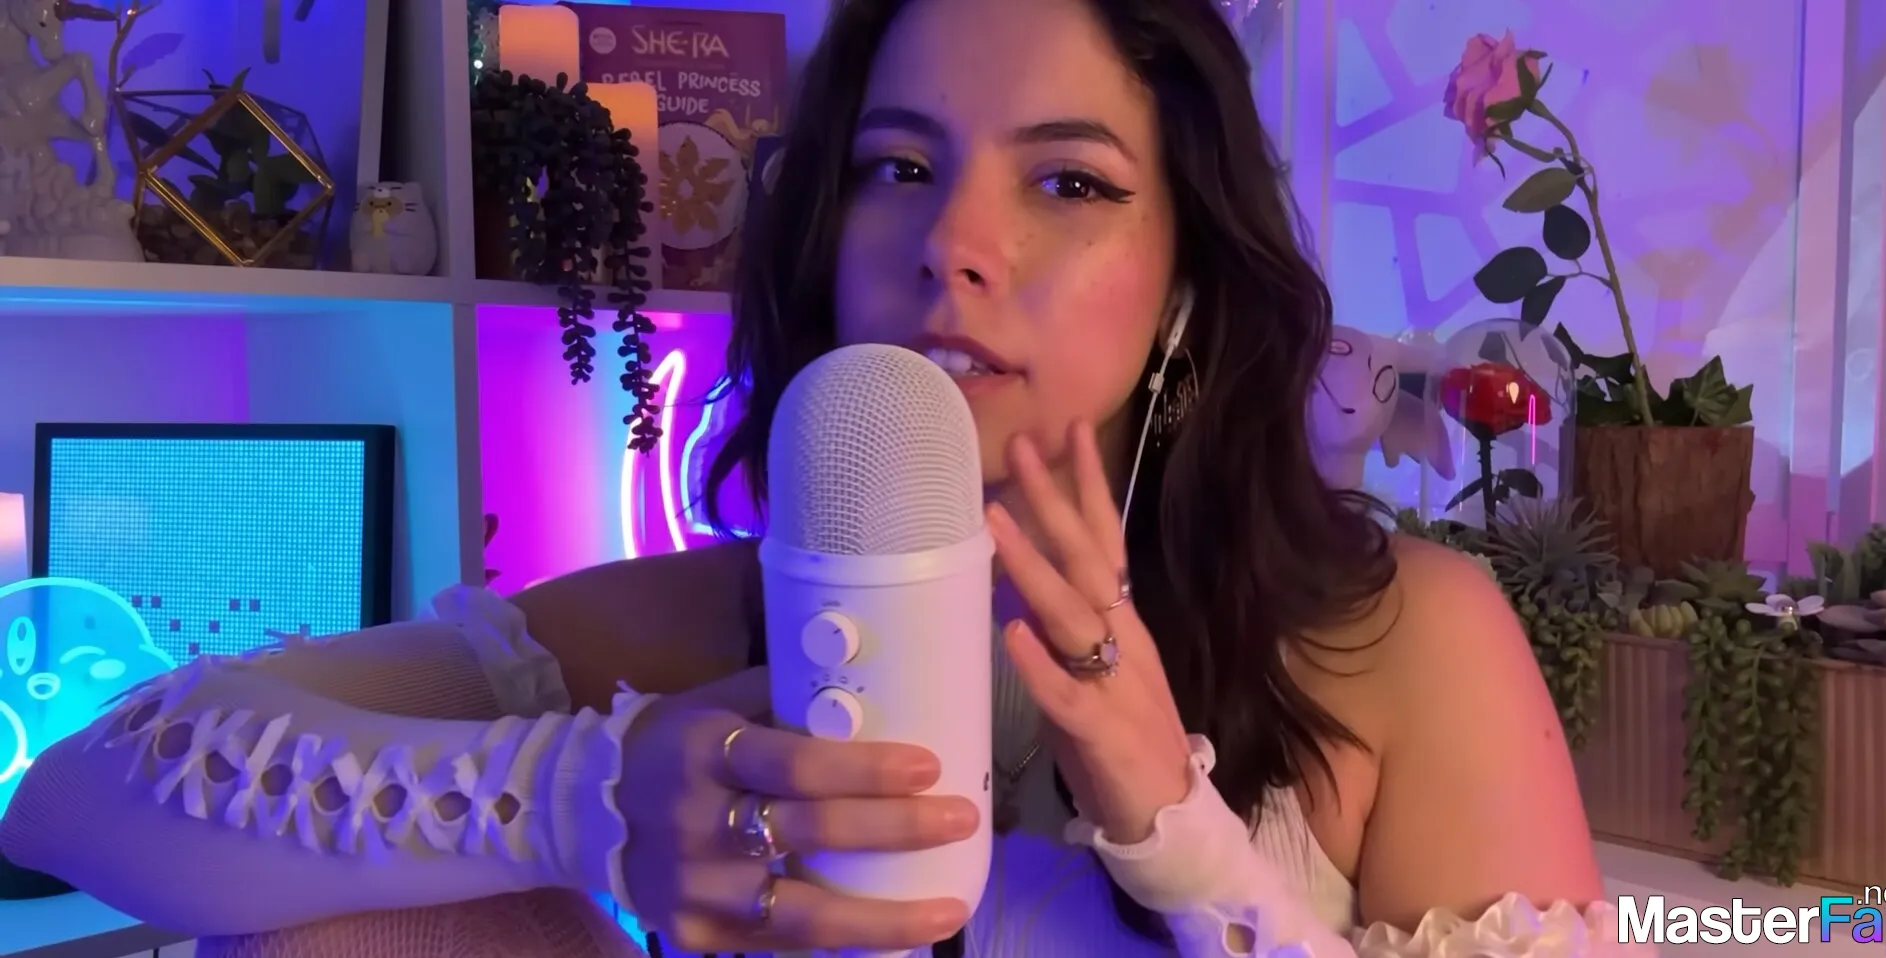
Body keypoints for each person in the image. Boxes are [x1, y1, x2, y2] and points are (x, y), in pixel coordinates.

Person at [0, 0, 1642, 955]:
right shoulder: (697, 622)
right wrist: (585, 795)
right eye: (897, 166)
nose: (953, 244)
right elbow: (76, 786)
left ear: (1184, 287)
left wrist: (1174, 827)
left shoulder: (1397, 640)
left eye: (1068, 182)